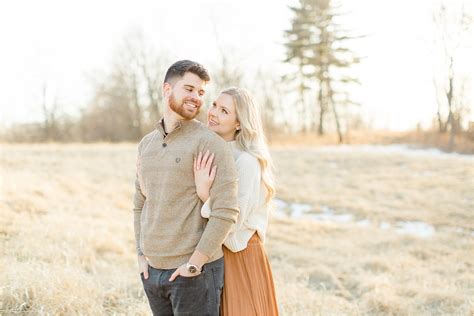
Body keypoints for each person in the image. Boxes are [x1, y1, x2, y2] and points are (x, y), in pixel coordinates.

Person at [133, 60, 239, 315]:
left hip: (194, 273)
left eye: (201, 93)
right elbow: (140, 204)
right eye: (189, 89)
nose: (196, 98)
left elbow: (225, 211)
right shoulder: (146, 145)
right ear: (167, 89)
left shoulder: (210, 143)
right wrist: (140, 254)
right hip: (152, 272)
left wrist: (195, 264)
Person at [194, 87, 279, 315]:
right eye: (214, 105)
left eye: (224, 111)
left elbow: (235, 219)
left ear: (239, 123)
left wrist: (205, 195)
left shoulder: (247, 161)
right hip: (216, 253)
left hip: (240, 254)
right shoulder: (212, 152)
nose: (213, 113)